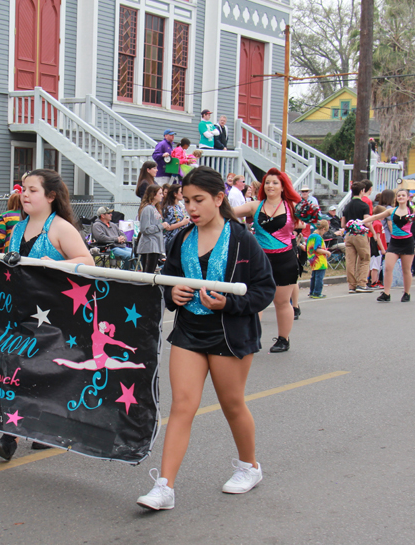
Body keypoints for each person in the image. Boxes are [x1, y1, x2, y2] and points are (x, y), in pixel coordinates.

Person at [135, 166, 275, 511]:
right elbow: (169, 279)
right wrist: (175, 293)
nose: (192, 208)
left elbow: (264, 289)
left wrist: (231, 302)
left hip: (230, 333)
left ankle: (249, 466)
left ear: (218, 198)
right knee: (182, 405)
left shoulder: (243, 239)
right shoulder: (182, 238)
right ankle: (164, 486)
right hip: (189, 331)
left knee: (232, 404)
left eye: (199, 200)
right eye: (186, 201)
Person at [0, 169, 95, 459]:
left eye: (33, 190)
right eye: (23, 189)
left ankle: (34, 429)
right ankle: (11, 433)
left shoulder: (61, 228)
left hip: (51, 316)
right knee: (13, 370)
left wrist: (58, 264)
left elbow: (87, 261)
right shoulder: (16, 229)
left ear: (50, 196)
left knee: (40, 372)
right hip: (18, 310)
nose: (25, 194)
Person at [231, 168, 302, 352]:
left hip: (285, 259)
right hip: (259, 259)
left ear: (282, 186)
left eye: (275, 182)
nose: (270, 186)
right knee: (255, 300)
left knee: (281, 302)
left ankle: (283, 339)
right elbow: (228, 212)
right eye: (267, 182)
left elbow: (307, 222)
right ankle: (251, 337)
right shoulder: (255, 206)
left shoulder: (292, 206)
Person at [362, 189, 415, 302]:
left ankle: (407, 293)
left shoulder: (413, 210)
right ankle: (386, 293)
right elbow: (376, 216)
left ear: (408, 198)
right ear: (396, 198)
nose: (401, 197)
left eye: (403, 195)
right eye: (399, 195)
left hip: (407, 242)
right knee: (387, 267)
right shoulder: (391, 211)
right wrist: (361, 222)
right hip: (394, 242)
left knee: (406, 269)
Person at [338, 181, 373, 293]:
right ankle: (361, 283)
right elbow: (367, 222)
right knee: (364, 258)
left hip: (349, 234)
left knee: (350, 260)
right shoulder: (364, 205)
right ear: (362, 191)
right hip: (360, 234)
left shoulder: (347, 206)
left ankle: (351, 285)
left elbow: (343, 224)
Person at [137, 184, 170, 274]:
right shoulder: (147, 209)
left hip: (155, 245)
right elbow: (145, 229)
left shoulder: (154, 208)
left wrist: (163, 227)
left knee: (151, 272)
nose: (162, 195)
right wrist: (161, 226)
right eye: (160, 193)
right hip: (149, 245)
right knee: (148, 273)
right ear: (153, 195)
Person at [161, 184, 190, 252]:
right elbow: (168, 227)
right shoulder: (169, 208)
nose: (183, 194)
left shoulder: (179, 206)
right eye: (181, 192)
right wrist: (182, 223)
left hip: (181, 238)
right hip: (172, 240)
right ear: (175, 194)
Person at [307, 219, 331, 298]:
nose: (324, 233)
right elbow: (317, 248)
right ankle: (317, 292)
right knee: (319, 278)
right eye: (324, 231)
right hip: (319, 260)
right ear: (323, 229)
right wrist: (327, 252)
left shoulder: (311, 236)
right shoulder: (318, 237)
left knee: (314, 277)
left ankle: (312, 291)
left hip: (312, 260)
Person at [368, 204, 388, 287]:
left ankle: (375, 280)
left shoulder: (377, 223)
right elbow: (378, 238)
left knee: (376, 265)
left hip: (378, 247)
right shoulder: (377, 224)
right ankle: (374, 281)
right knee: (375, 266)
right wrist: (383, 248)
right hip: (377, 248)